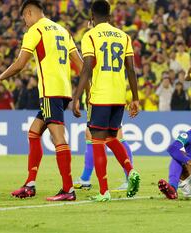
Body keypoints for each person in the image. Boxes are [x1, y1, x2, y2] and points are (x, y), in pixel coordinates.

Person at [0, 0, 83, 201]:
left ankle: (68, 189)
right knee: (34, 133)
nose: (25, 22)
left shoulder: (35, 30)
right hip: (63, 90)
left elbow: (20, 64)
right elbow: (79, 63)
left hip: (50, 90)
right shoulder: (62, 30)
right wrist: (82, 93)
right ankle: (30, 184)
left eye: (24, 17)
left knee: (58, 138)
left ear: (30, 12)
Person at [73, 0, 140, 202]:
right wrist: (135, 98)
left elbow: (87, 68)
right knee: (112, 137)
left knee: (97, 141)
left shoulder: (90, 35)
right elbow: (131, 69)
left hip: (100, 95)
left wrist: (76, 97)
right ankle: (131, 171)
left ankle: (104, 191)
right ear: (110, 16)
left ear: (92, 17)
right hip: (119, 95)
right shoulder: (124, 36)